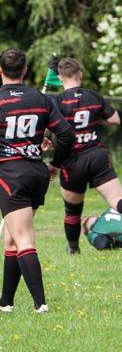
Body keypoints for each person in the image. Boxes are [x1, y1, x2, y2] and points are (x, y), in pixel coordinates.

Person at [54, 57, 122, 254]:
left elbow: (52, 128)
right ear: (80, 75)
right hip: (97, 155)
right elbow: (115, 120)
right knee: (117, 199)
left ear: (60, 78)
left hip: (73, 161)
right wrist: (98, 121)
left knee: (72, 210)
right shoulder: (93, 96)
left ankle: (73, 248)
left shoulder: (57, 102)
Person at [0, 48, 74, 314]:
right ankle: (6, 302)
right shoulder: (40, 99)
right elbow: (66, 135)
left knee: (23, 239)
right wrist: (54, 164)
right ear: (25, 70)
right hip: (36, 174)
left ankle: (40, 305)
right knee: (10, 238)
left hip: (11, 175)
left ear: (0, 71)